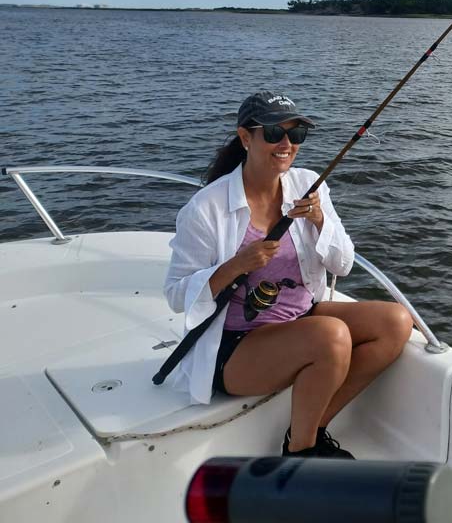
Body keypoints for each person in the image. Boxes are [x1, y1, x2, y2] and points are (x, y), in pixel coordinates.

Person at [163, 91, 413, 458]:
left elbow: (342, 264)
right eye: (274, 132)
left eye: (296, 134)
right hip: (233, 345)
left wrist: (319, 220)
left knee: (395, 321)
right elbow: (175, 295)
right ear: (246, 138)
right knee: (332, 336)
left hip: (298, 317)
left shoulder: (308, 184)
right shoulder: (205, 208)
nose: (286, 144)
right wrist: (234, 265)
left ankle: (315, 424)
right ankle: (300, 451)